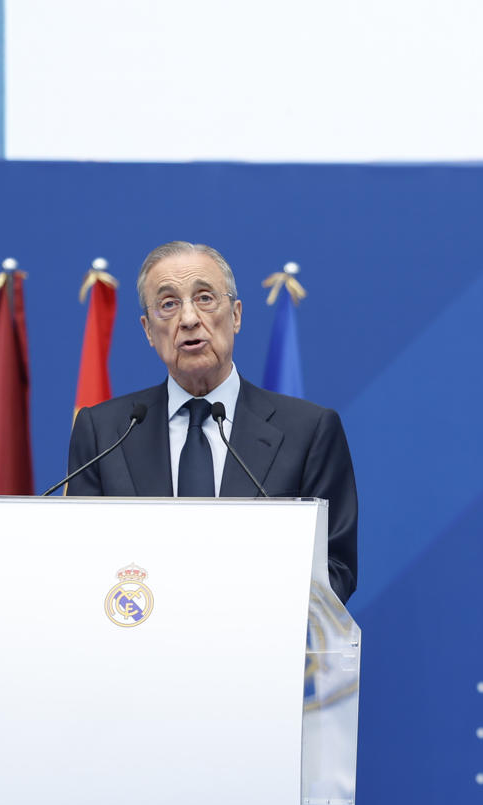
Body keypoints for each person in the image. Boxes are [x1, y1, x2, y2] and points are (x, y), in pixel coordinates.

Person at [66, 241, 359, 603]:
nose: (188, 319)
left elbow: (335, 570)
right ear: (146, 329)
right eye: (168, 304)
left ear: (236, 315)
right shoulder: (104, 432)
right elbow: (80, 563)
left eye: (205, 298)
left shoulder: (309, 431)